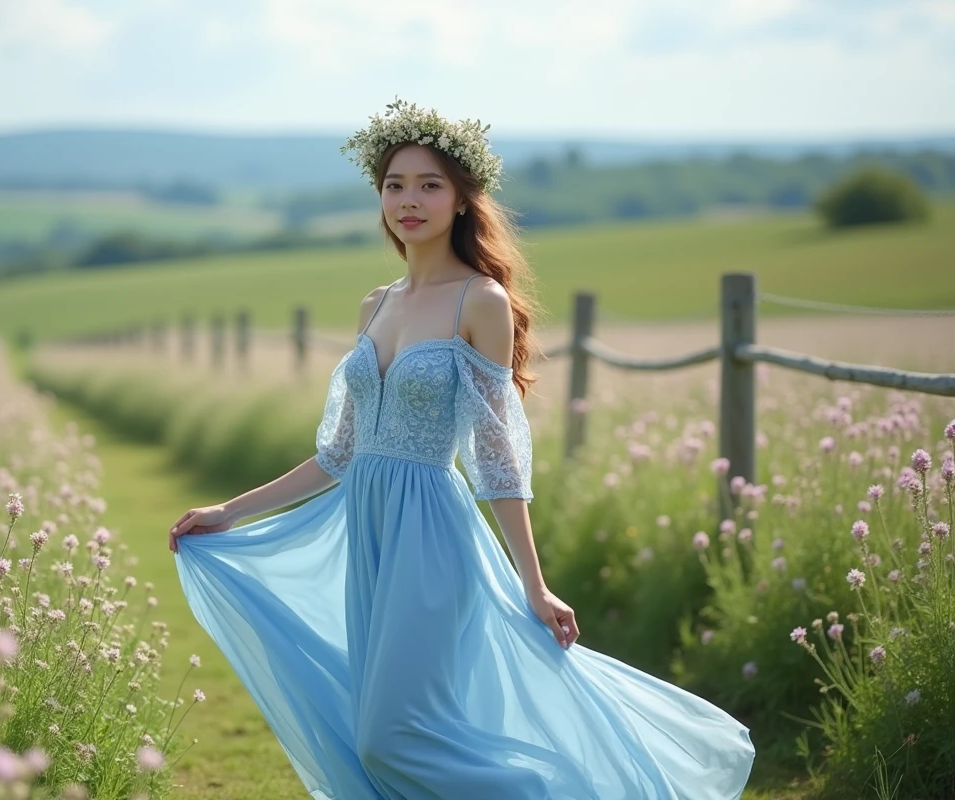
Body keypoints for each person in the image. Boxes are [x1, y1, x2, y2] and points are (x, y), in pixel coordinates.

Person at [169, 99, 755, 799]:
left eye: (429, 185)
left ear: (462, 200)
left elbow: (498, 456)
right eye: (394, 184)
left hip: (432, 536)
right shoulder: (375, 304)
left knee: (390, 740)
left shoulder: (480, 301)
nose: (408, 200)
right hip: (369, 532)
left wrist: (532, 583)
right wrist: (229, 512)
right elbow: (340, 453)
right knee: (394, 728)